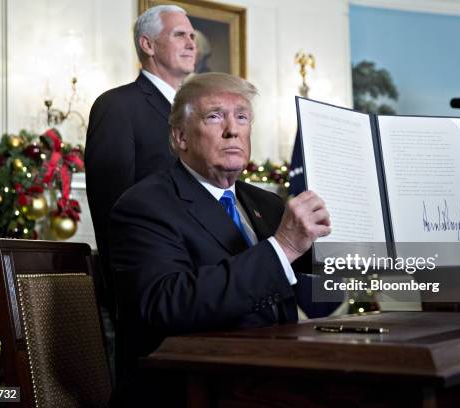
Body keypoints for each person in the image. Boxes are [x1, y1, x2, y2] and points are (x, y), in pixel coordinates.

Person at [109, 72, 331, 385]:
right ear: (180, 137)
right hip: (192, 385)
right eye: (215, 116)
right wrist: (283, 247)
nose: (232, 131)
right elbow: (167, 305)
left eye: (242, 117)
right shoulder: (145, 205)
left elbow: (330, 268)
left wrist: (415, 263)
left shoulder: (266, 204)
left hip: (276, 372)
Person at [85, 5, 196, 316]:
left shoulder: (194, 114)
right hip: (149, 289)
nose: (191, 42)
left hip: (197, 284)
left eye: (192, 35)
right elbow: (112, 206)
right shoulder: (117, 106)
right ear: (147, 45)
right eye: (179, 35)